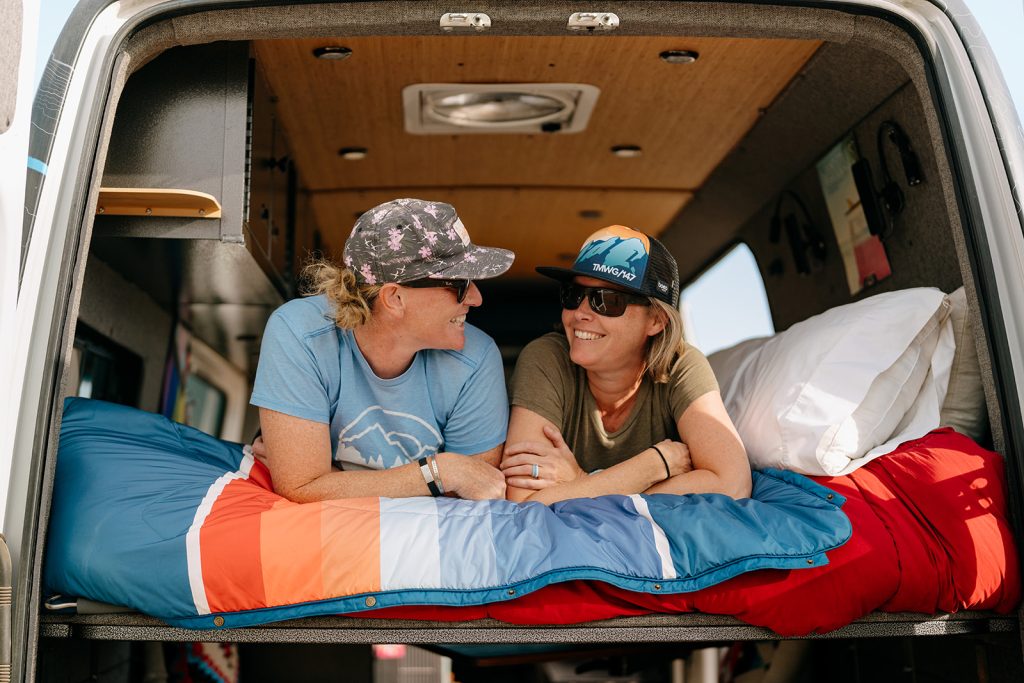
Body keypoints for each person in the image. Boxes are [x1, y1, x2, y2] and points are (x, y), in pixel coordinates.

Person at [251, 198, 514, 502]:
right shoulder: (299, 332)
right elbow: (298, 488)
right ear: (394, 298)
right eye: (460, 283)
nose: (476, 298)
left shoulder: (477, 358)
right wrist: (440, 471)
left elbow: (475, 497)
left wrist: (331, 480)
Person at [501, 225, 751, 504]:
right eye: (573, 295)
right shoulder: (546, 357)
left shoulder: (682, 365)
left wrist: (583, 483)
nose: (581, 312)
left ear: (656, 320)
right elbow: (523, 502)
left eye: (607, 301)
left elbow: (733, 483)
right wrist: (652, 466)